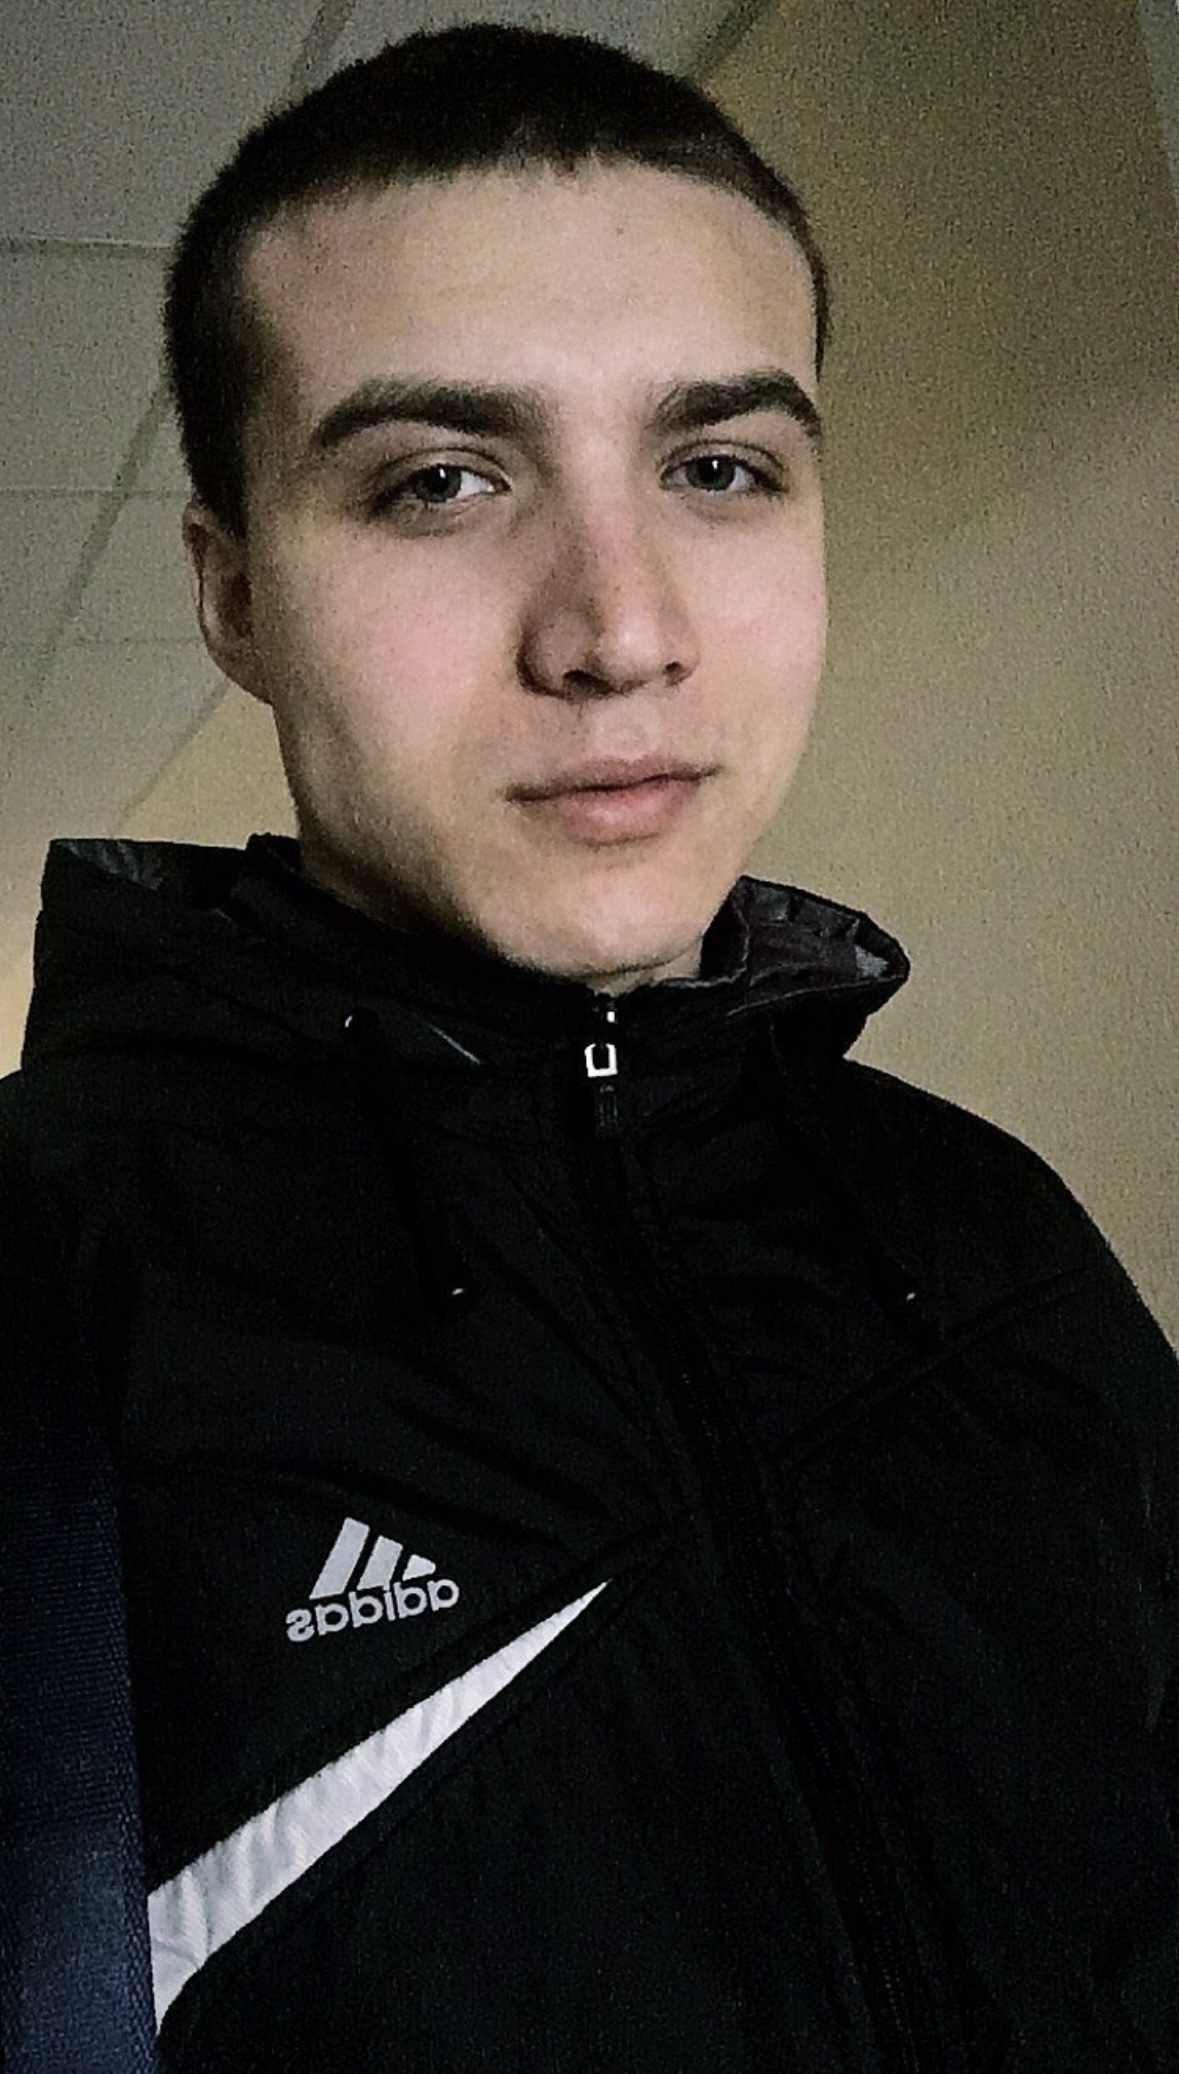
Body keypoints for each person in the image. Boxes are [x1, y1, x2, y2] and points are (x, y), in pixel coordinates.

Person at [2, 23, 1177, 2071]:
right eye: (439, 482)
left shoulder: (987, 1229)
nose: (620, 632)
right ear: (236, 598)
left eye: (719, 468)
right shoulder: (36, 1292)